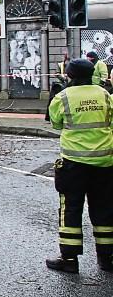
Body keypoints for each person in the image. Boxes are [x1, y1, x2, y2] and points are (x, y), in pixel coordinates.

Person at [46, 58, 113, 273]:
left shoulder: (63, 97)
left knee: (71, 209)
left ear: (70, 75)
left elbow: (56, 123)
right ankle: (107, 258)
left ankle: (69, 259)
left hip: (73, 164)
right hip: (104, 162)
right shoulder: (105, 94)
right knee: (105, 209)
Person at [44, 53, 69, 121]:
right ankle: (50, 117)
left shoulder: (72, 65)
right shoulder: (60, 65)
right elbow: (57, 73)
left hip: (68, 85)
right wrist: (63, 78)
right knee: (54, 101)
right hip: (59, 85)